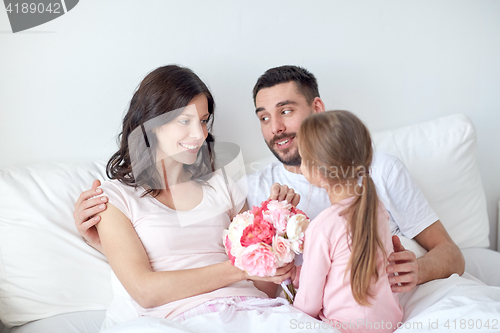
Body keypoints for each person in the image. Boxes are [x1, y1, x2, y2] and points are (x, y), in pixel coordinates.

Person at [74, 65, 465, 293]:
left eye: (286, 111)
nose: (275, 128)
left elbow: (453, 255)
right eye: (263, 117)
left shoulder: (380, 169)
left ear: (317, 108)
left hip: (397, 300)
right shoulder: (257, 189)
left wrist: (420, 269)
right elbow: (261, 283)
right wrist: (101, 242)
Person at [92, 65, 335, 332]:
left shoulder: (222, 186)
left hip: (255, 311)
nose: (200, 134)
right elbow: (145, 291)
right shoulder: (114, 199)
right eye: (185, 121)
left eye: (204, 120)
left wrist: (277, 232)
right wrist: (240, 269)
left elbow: (264, 288)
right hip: (181, 321)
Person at [292, 110, 403, 332]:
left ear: (319, 174)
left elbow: (308, 303)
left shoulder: (323, 227)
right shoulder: (377, 209)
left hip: (343, 327)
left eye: (303, 159)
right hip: (390, 322)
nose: (300, 165)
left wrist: (291, 308)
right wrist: (298, 275)